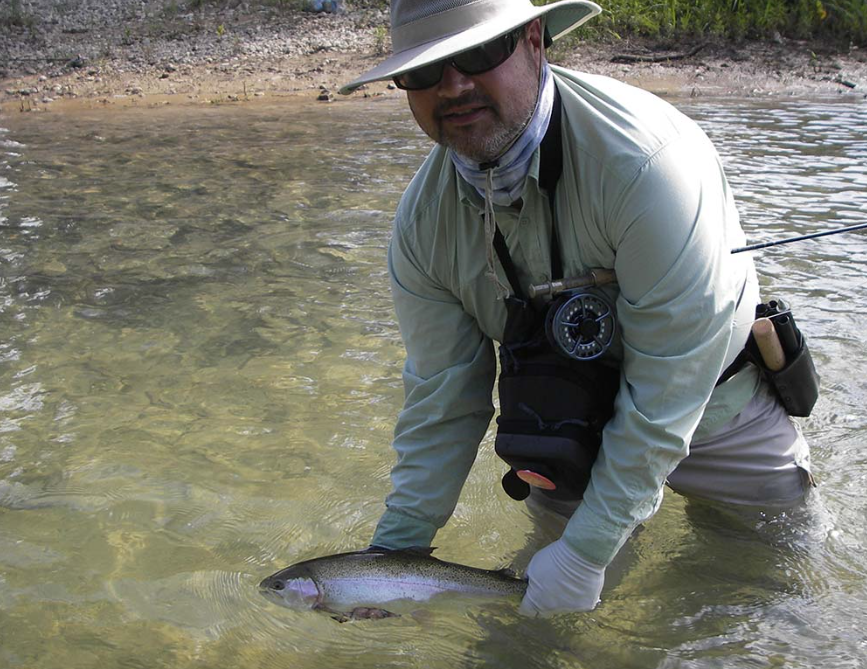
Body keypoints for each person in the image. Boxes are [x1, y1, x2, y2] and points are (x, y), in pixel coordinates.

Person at [339, 0, 814, 617]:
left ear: (534, 39)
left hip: (715, 405)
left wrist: (587, 552)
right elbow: (443, 398)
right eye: (424, 72)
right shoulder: (421, 226)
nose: (452, 87)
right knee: (524, 637)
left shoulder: (646, 164)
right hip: (567, 428)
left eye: (477, 55)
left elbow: (667, 393)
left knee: (777, 597)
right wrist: (391, 560)